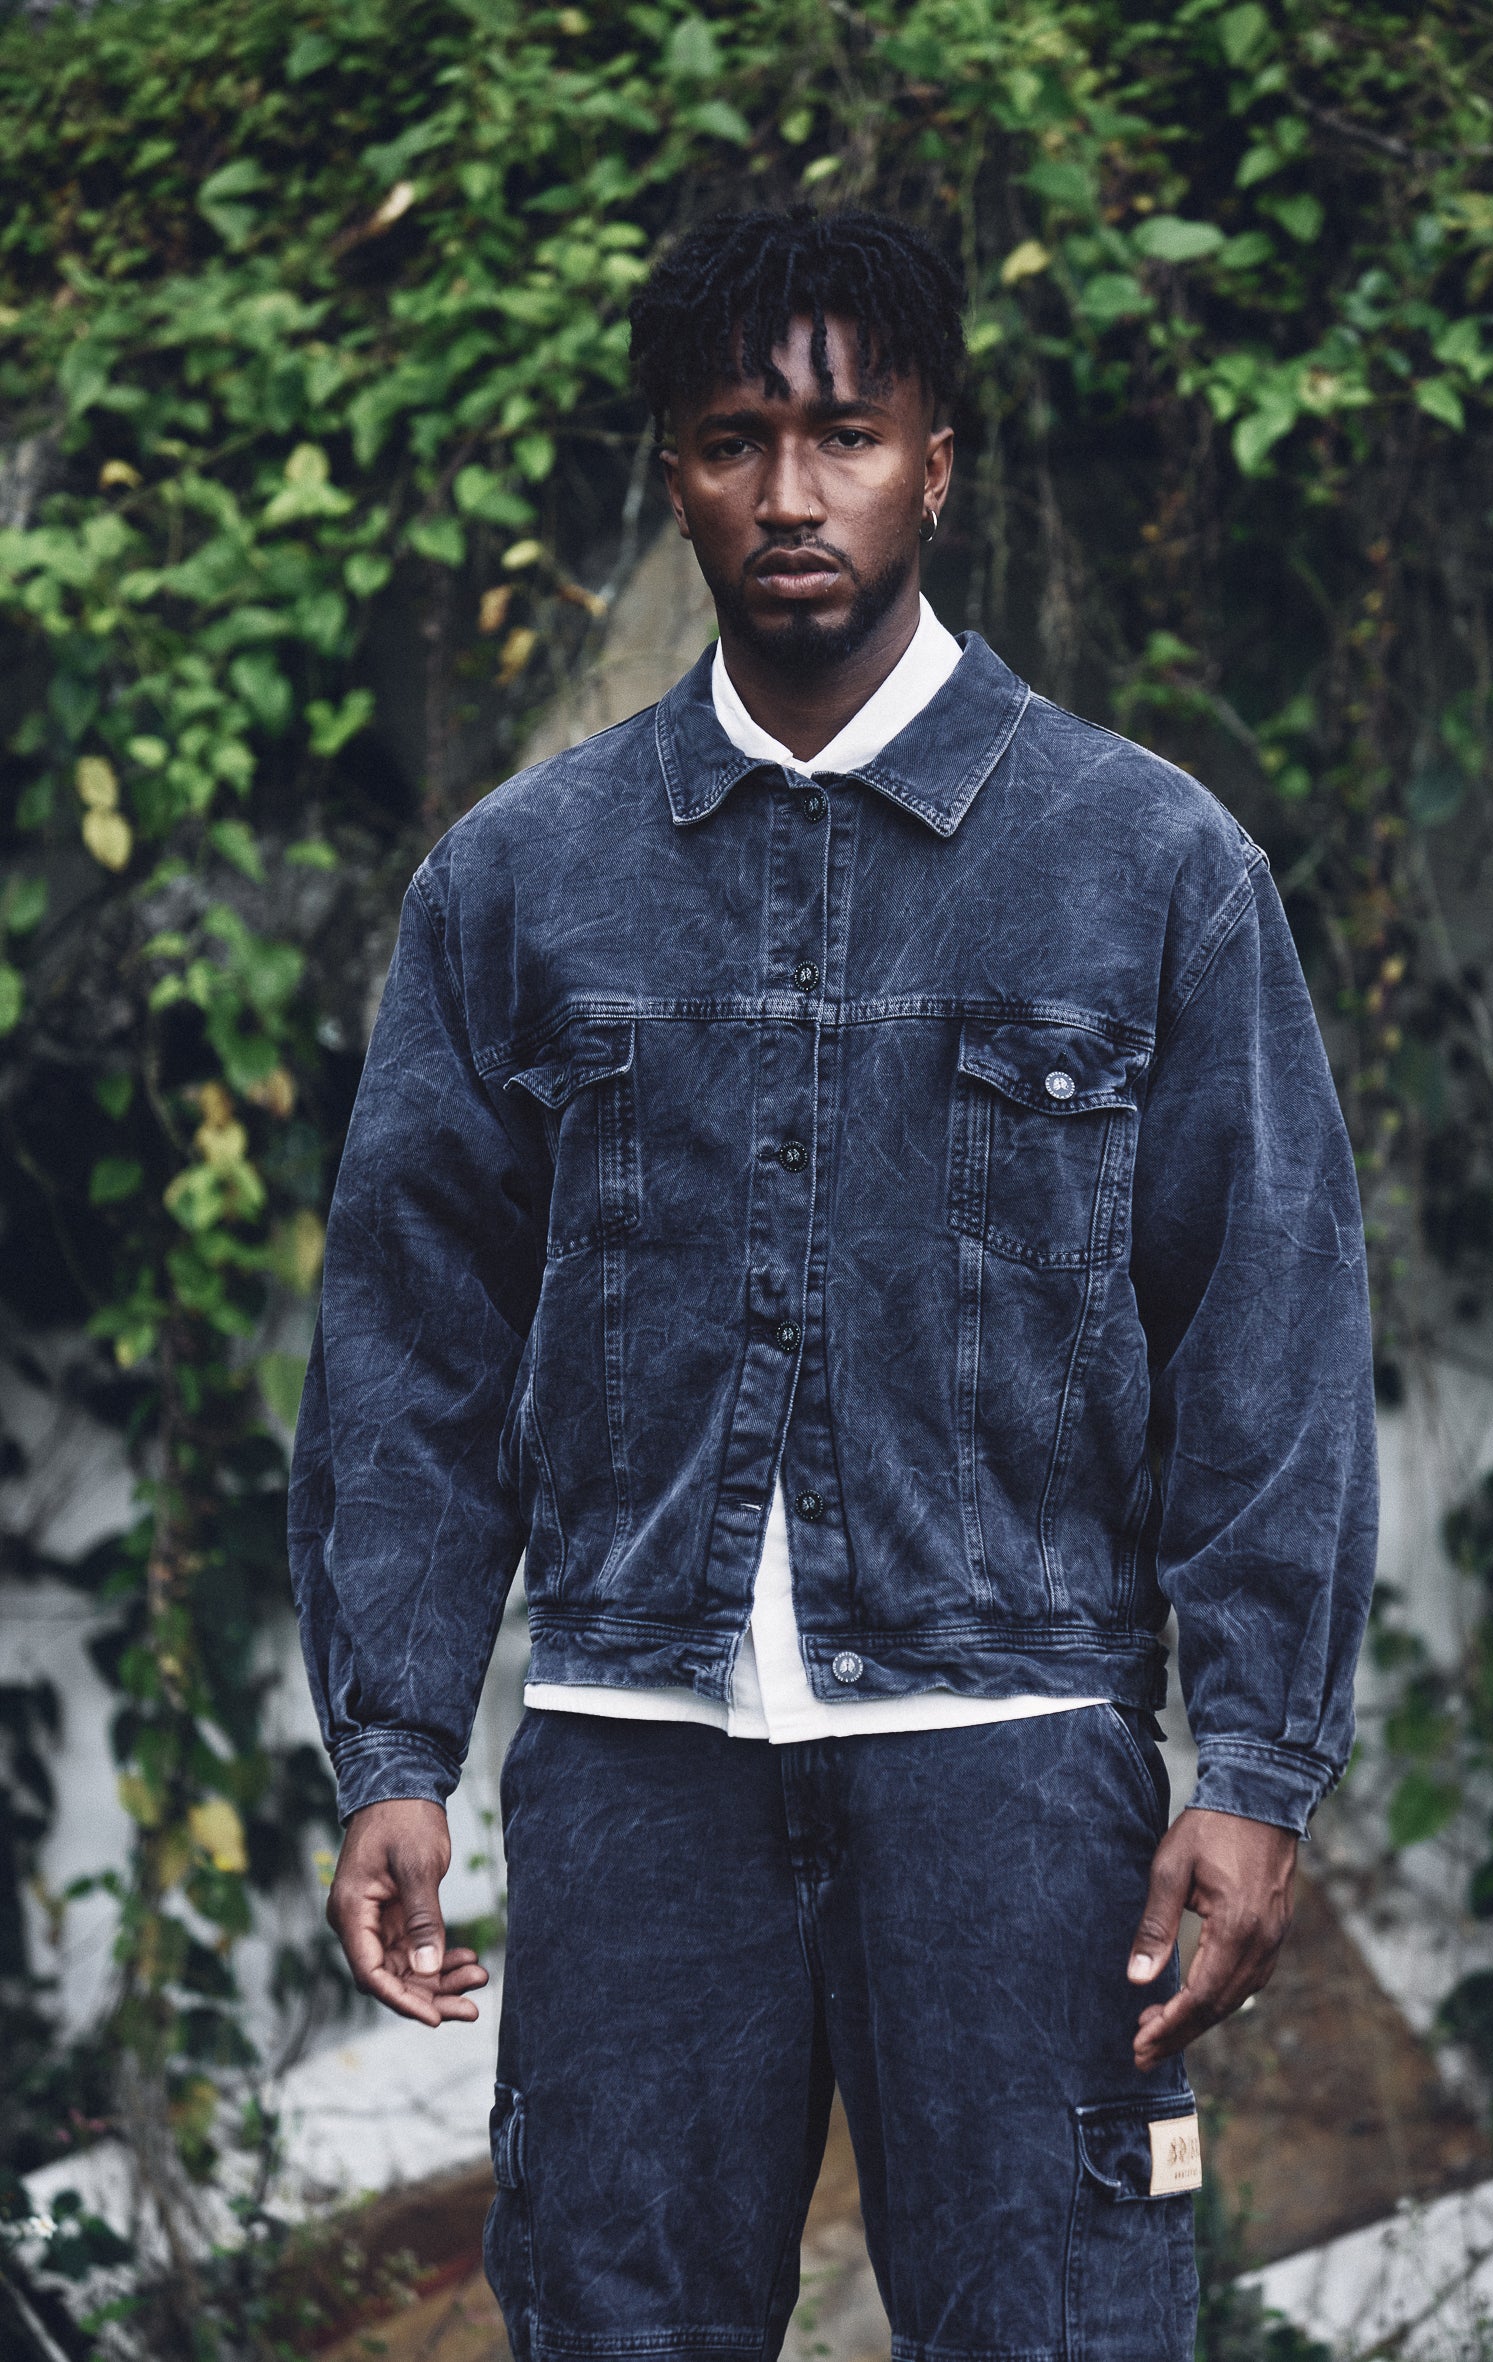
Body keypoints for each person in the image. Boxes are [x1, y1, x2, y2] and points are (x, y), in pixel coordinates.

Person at [289, 206, 1377, 2362]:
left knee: (1056, 2327)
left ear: (933, 462)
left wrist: (1254, 1767)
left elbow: (1269, 1329)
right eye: (734, 440)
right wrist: (392, 1740)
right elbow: (408, 1345)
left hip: (1011, 1772)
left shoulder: (1147, 863)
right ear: (673, 473)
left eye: (845, 435)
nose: (791, 493)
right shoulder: (517, 882)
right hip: (638, 1764)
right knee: (612, 2320)